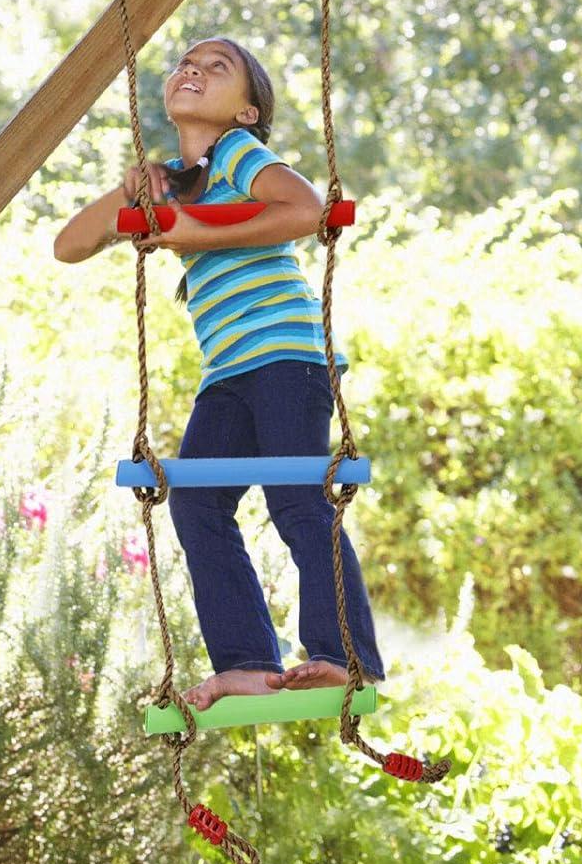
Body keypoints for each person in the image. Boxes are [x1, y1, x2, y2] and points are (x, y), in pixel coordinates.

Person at [53, 36, 384, 710]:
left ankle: (342, 656)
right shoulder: (174, 178)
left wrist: (188, 232)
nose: (193, 70)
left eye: (217, 67)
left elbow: (304, 210)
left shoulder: (239, 154)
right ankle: (246, 662)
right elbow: (71, 245)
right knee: (199, 502)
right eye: (186, 63)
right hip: (230, 367)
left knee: (296, 495)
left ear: (246, 112)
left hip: (286, 356)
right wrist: (133, 190)